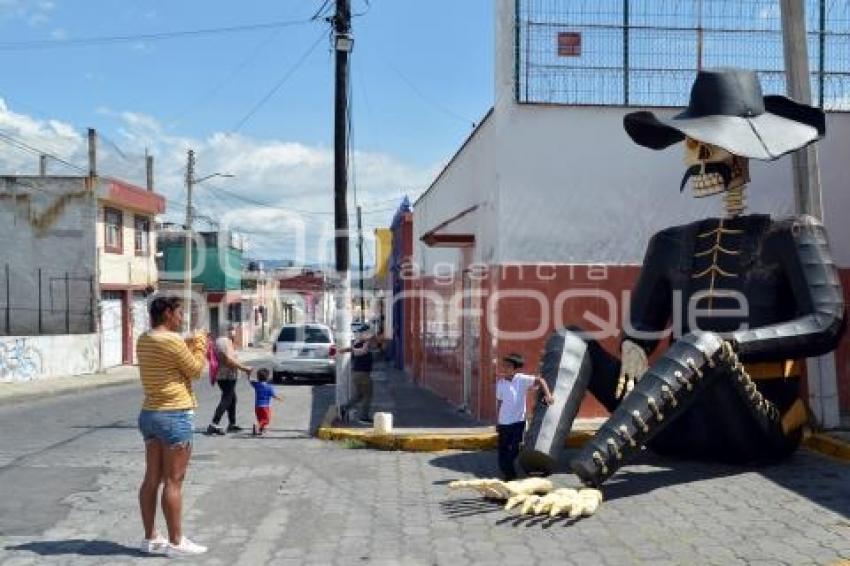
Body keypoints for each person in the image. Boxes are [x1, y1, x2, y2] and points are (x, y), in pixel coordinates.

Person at [135, 296, 209, 556]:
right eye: (179, 314)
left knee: (151, 478)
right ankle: (176, 542)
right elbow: (196, 370)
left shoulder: (144, 339)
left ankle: (150, 538)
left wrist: (186, 342)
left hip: (150, 413)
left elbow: (169, 357)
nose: (182, 319)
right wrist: (200, 344)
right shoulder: (173, 341)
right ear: (167, 313)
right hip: (174, 414)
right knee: (173, 481)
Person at [496, 353, 554, 481]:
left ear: (515, 369)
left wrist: (548, 395)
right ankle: (509, 475)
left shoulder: (521, 379)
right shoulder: (500, 384)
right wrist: (497, 421)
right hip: (503, 423)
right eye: (504, 366)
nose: (505, 368)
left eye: (508, 366)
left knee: (515, 449)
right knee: (502, 452)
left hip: (518, 422)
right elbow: (500, 403)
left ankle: (509, 474)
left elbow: (540, 380)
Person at [206, 324, 252, 436]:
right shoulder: (222, 342)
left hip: (228, 375)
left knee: (232, 398)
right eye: (232, 329)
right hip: (226, 376)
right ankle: (214, 423)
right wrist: (244, 368)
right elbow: (228, 360)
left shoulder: (227, 341)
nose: (234, 332)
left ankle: (232, 423)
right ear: (226, 330)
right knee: (227, 398)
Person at [339, 327, 379, 424]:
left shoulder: (360, 344)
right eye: (368, 333)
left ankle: (344, 408)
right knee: (368, 395)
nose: (370, 336)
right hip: (362, 374)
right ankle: (364, 417)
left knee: (359, 395)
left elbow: (374, 348)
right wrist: (367, 342)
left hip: (358, 374)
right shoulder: (362, 345)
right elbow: (361, 351)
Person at [250, 368, 283, 436]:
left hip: (257, 406)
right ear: (267, 377)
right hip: (266, 406)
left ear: (258, 377)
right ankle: (257, 426)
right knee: (266, 419)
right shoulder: (269, 387)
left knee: (260, 418)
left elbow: (250, 381)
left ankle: (261, 430)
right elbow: (273, 395)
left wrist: (249, 374)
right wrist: (279, 398)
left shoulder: (257, 385)